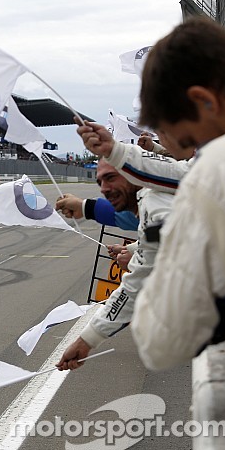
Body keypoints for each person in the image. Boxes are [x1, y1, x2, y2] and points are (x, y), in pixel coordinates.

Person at [124, 16, 225, 371]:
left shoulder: (216, 170)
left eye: (191, 140)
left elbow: (162, 343)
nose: (191, 153)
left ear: (204, 101)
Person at [57, 157, 174, 370]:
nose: (104, 189)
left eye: (110, 178)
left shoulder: (155, 206)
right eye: (99, 183)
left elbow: (135, 285)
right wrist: (132, 250)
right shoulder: (152, 202)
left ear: (135, 174)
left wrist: (86, 340)